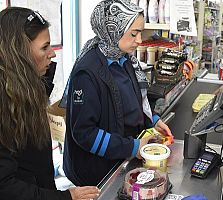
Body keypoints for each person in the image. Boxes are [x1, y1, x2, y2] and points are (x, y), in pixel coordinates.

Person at [62, 0, 172, 186]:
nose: (139, 40)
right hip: (96, 172)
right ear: (113, 30)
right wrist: (132, 148)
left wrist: (152, 119)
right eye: (133, 34)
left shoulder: (124, 60)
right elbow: (84, 133)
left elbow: (133, 101)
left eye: (140, 33)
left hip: (121, 158)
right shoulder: (87, 73)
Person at [0, 7, 99, 200]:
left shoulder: (28, 88)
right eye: (45, 47)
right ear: (18, 53)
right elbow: (5, 186)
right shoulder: (4, 104)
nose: (52, 54)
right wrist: (65, 198)